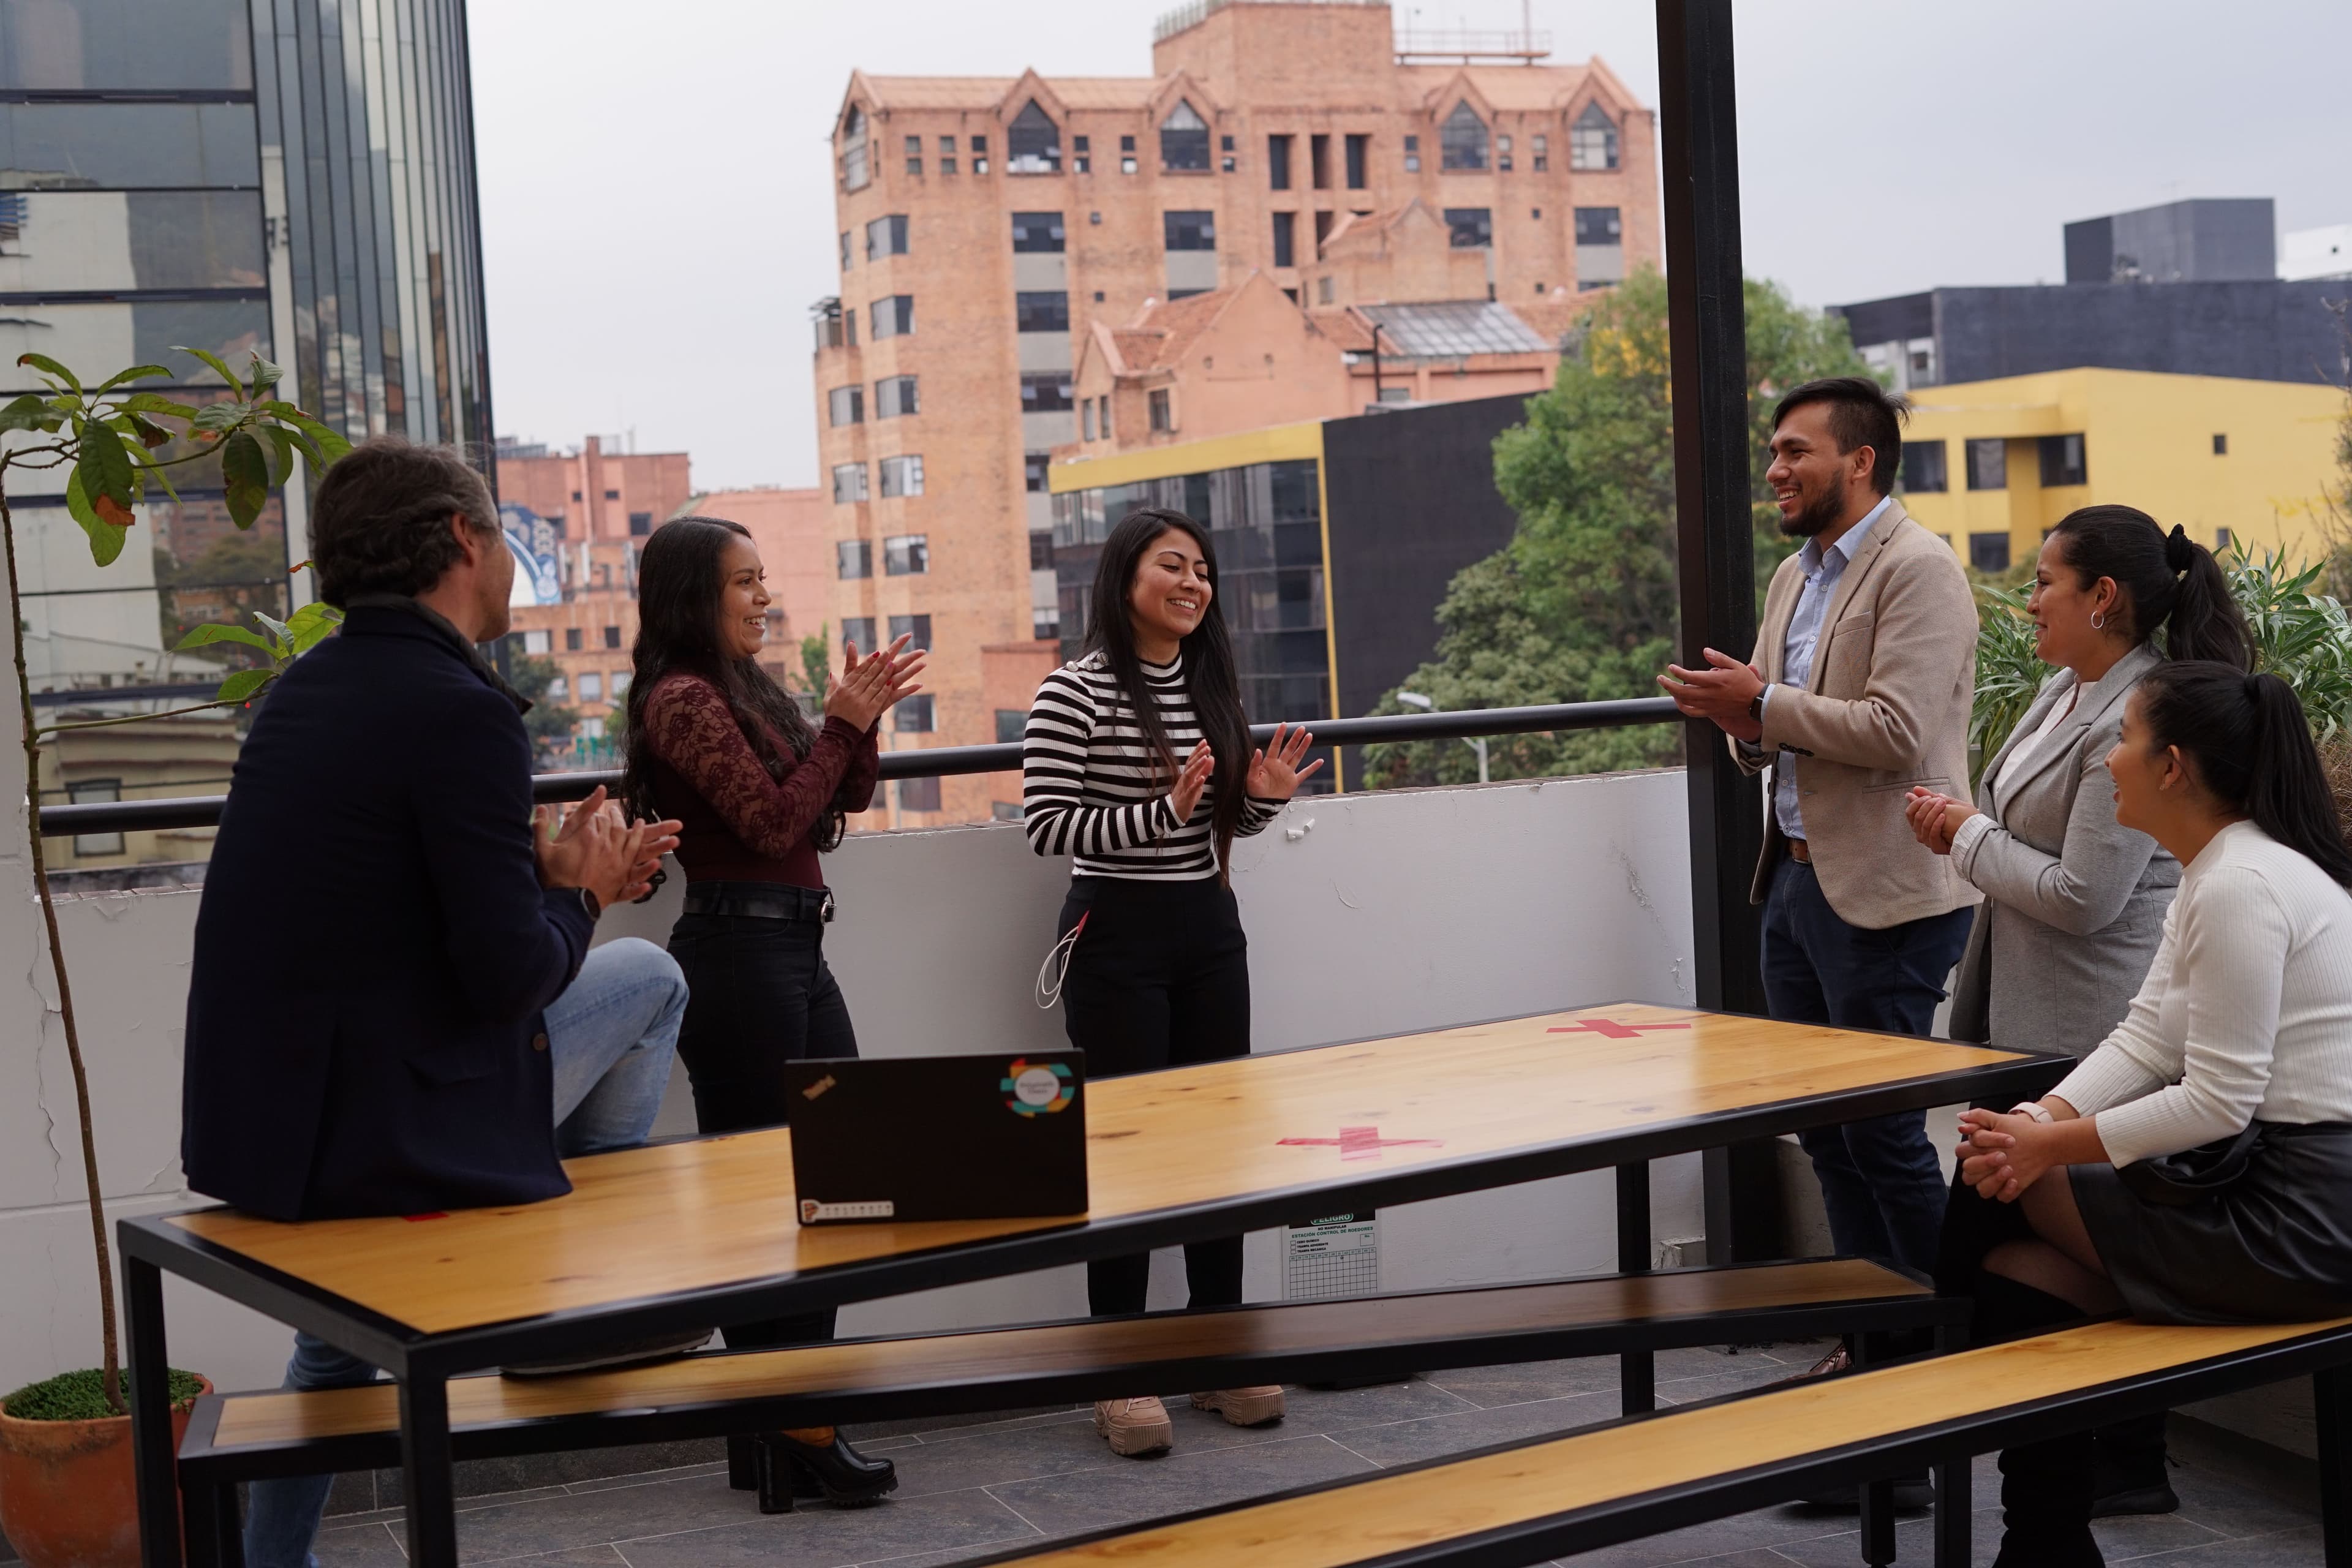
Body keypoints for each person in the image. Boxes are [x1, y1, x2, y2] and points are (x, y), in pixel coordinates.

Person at [179, 437, 695, 1568]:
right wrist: (588, 893)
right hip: (386, 1124)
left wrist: (545, 878)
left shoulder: (305, 692)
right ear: (464, 541)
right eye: (503, 535)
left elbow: (387, 913)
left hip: (270, 1118)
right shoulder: (459, 709)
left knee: (340, 1346)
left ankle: (275, 1562)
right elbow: (506, 975)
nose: (511, 559)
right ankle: (580, 1310)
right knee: (653, 978)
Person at [1943, 662, 2352, 1567]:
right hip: (2266, 1192)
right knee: (2019, 1262)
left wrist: (2042, 1144)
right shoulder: (2220, 869)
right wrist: (2039, 1118)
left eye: (2123, 739)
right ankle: (2039, 1536)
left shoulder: (2242, 884)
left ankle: (1914, 1380)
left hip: (2304, 1222)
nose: (2112, 759)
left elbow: (2217, 1098)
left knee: (1993, 1189)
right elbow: (2146, 1041)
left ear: (2172, 766)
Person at [1904, 510, 2250, 1517]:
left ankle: (1966, 1435)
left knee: (1981, 1239)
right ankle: (2095, 1469)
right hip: (2033, 1018)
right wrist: (1966, 828)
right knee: (2030, 1254)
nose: (2031, 599)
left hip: (2098, 1027)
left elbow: (2087, 897)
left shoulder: (2141, 714)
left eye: (2048, 581)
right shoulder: (2066, 690)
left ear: (2104, 598)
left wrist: (1964, 838)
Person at [1659, 376, 1981, 1303]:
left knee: (1882, 1132)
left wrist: (1760, 704)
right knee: (1826, 1130)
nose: (1775, 470)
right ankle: (1873, 1337)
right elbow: (1772, 729)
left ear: (1861, 460)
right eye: (1774, 452)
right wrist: (1743, 717)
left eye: (1795, 451)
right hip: (1796, 887)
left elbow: (1896, 733)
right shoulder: (1795, 575)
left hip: (1886, 894)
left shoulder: (1920, 568)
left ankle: (1944, 1343)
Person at [623, 515, 922, 1506]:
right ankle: (792, 1426)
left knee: (840, 1183)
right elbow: (768, 821)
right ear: (692, 597)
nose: (763, 598)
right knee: (765, 1210)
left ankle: (797, 1420)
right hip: (738, 955)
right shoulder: (679, 699)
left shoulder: (744, 688)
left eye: (763, 581)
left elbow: (839, 805)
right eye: (744, 583)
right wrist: (838, 725)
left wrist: (857, 721)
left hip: (795, 944)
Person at [1022, 506, 1321, 1458]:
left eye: (1202, 570)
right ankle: (1123, 1374)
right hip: (1116, 938)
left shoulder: (1208, 686)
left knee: (1213, 1154)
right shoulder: (1073, 691)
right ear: (1124, 581)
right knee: (1127, 1157)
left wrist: (1259, 805)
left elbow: (1214, 823)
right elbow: (1047, 828)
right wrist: (1162, 809)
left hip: (1206, 931)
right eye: (1171, 567)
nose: (1192, 584)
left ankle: (1216, 1353)